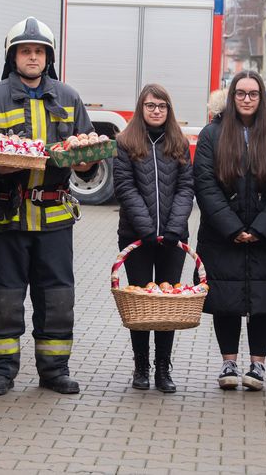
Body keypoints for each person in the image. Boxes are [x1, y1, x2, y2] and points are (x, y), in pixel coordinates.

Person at [0, 17, 99, 396]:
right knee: (4, 298)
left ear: (48, 57)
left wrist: (87, 162)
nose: (32, 57)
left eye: (39, 51)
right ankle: (1, 371)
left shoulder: (69, 97)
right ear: (13, 56)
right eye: (25, 51)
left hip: (54, 215)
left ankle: (55, 370)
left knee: (57, 297)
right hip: (6, 214)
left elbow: (87, 153)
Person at [194, 70, 266, 392]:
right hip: (222, 236)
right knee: (226, 299)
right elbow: (205, 185)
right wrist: (233, 228)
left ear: (262, 98)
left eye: (253, 94)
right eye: (241, 93)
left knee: (263, 300)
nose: (247, 99)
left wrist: (261, 228)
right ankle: (229, 362)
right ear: (231, 97)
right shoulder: (213, 134)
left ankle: (258, 366)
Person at [112, 84, 195, 393]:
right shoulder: (126, 141)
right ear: (141, 108)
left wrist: (174, 227)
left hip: (173, 241)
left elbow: (187, 187)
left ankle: (163, 369)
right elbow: (124, 186)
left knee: (167, 306)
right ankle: (141, 367)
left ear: (168, 110)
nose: (156, 110)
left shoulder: (179, 143)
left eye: (162, 106)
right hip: (137, 239)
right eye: (150, 105)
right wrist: (146, 228)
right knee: (141, 304)